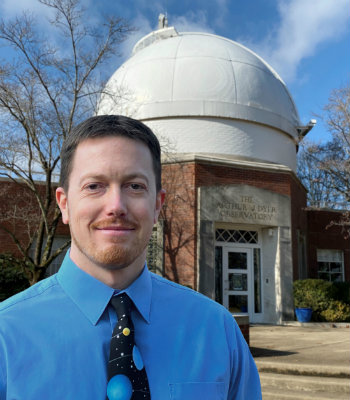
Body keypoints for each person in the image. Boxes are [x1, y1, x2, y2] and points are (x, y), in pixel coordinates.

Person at [0, 115, 261, 399]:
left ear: (157, 205)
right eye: (94, 186)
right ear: (64, 204)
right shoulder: (6, 337)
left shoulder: (217, 331)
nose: (116, 206)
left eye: (135, 186)